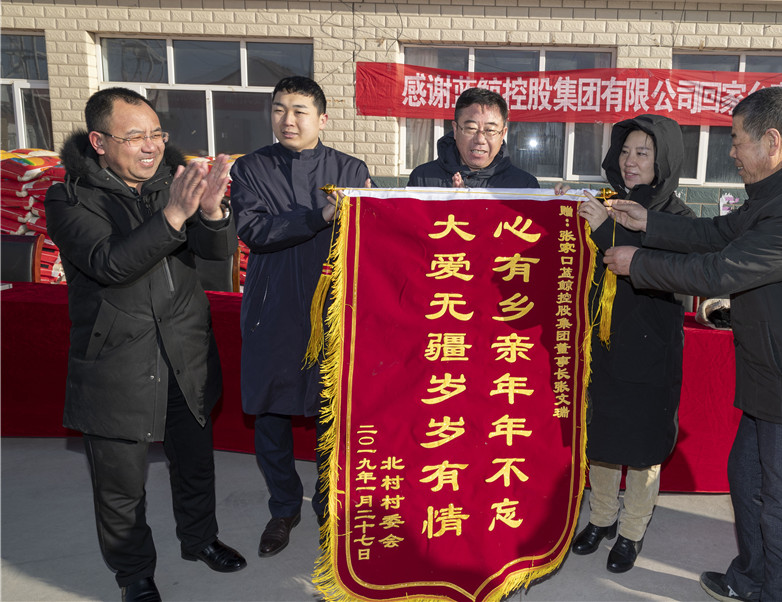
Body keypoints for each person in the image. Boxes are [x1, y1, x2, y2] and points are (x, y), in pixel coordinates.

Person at [602, 86, 782, 602]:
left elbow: (720, 271)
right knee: (747, 481)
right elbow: (721, 232)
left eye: (736, 140)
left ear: (771, 142)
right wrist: (649, 222)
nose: (731, 151)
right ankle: (751, 580)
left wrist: (639, 263)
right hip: (777, 375)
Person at [45, 87, 246, 602]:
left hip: (185, 351)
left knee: (195, 463)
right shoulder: (69, 197)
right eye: (135, 136)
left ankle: (200, 540)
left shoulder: (171, 184)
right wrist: (174, 215)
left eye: (156, 133)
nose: (151, 146)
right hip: (118, 361)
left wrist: (212, 212)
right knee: (121, 488)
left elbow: (215, 256)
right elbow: (110, 264)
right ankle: (134, 574)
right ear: (99, 142)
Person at [229, 75, 373, 558]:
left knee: (333, 412)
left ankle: (330, 506)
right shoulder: (251, 168)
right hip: (272, 308)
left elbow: (370, 237)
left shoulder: (350, 169)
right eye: (278, 109)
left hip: (332, 309)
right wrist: (320, 217)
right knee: (270, 411)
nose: (287, 120)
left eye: (299, 111)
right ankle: (284, 506)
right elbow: (256, 231)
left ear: (322, 119)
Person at [573, 115, 693, 574]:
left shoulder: (679, 220)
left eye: (643, 153)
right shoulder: (607, 203)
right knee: (603, 436)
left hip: (650, 349)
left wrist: (605, 228)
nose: (629, 161)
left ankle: (632, 529)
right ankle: (602, 517)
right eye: (625, 151)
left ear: (664, 161)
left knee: (642, 445)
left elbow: (650, 268)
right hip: (603, 345)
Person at [406, 87, 540, 188]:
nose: (480, 139)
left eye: (490, 130)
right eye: (471, 128)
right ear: (455, 129)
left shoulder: (524, 186)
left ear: (503, 133)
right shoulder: (422, 179)